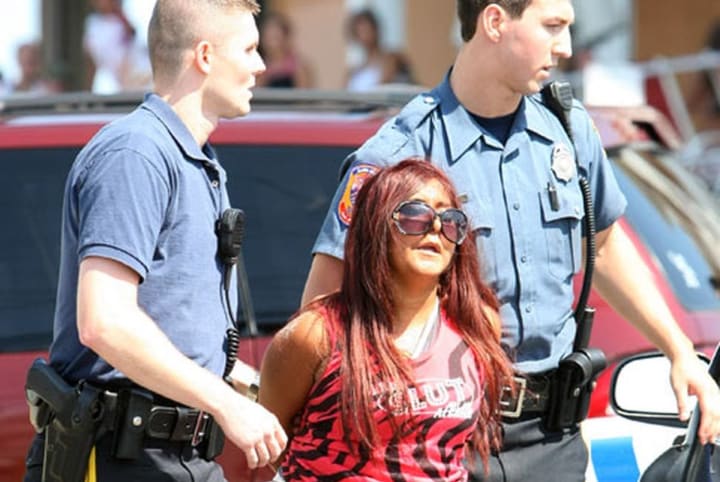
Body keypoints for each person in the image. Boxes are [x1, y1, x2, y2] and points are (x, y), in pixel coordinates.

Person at [302, 1, 720, 481]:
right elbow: (320, 312)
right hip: (439, 443)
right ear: (495, 22)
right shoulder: (400, 153)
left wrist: (679, 351)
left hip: (553, 440)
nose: (565, 47)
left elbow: (603, 246)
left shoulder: (568, 131)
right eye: (552, 27)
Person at [23, 1, 286, 481]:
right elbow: (105, 322)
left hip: (179, 456)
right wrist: (227, 404)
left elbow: (177, 328)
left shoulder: (194, 161)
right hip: (118, 457)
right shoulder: (136, 154)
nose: (261, 65)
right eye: (249, 49)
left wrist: (258, 390)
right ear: (204, 55)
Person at [260, 159, 514, 481]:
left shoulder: (476, 325)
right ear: (376, 226)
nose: (436, 228)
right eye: (415, 215)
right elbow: (271, 440)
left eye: (450, 219)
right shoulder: (315, 334)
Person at [83, 0, 151, 93]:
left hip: (137, 81)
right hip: (109, 83)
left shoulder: (134, 12)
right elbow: (91, 61)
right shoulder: (93, 24)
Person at [345, 9, 414, 92]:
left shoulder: (391, 59)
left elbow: (382, 87)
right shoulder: (355, 70)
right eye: (359, 31)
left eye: (366, 30)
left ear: (375, 29)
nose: (364, 35)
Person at [257, 13, 313, 88]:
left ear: (285, 37)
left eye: (275, 38)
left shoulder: (298, 67)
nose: (272, 44)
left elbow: (303, 91)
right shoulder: (261, 68)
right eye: (268, 38)